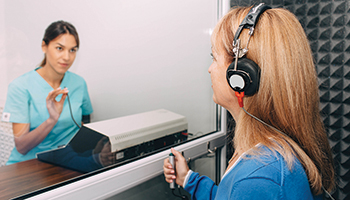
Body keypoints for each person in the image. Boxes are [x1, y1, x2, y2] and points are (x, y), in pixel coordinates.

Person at [163, 4, 335, 200]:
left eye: (214, 57)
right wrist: (188, 179)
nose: (210, 69)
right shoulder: (267, 155)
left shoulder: (259, 179)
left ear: (241, 75)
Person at [1, 20, 93, 165]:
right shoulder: (20, 87)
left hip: (66, 162)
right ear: (44, 46)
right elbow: (22, 147)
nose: (67, 57)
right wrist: (52, 120)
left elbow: (86, 120)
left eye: (72, 50)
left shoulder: (79, 83)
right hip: (28, 166)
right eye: (59, 48)